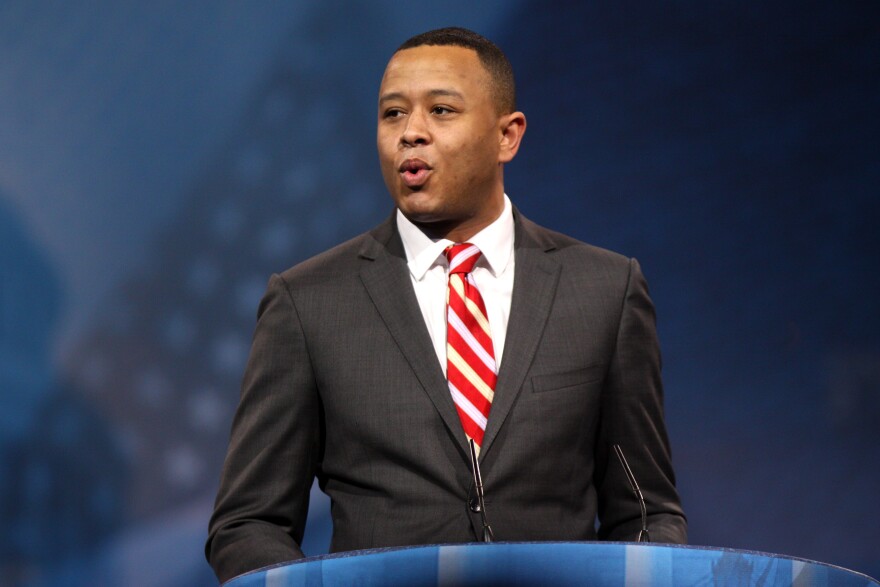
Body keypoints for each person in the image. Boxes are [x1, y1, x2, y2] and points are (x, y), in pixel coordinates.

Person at [206, 27, 686, 583]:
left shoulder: (604, 289)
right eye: (392, 115)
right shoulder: (308, 302)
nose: (411, 133)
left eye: (440, 110)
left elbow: (646, 513)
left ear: (508, 135)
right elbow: (246, 523)